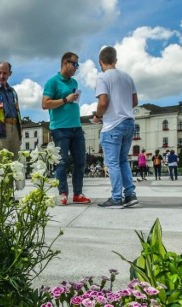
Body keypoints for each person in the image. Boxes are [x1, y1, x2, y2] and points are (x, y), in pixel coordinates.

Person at [90, 46, 138, 208]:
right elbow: (135, 102)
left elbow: (103, 102)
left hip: (112, 125)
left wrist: (98, 116)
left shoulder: (102, 78)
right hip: (129, 122)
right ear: (115, 60)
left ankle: (116, 197)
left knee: (112, 163)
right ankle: (130, 194)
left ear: (100, 62)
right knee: (123, 160)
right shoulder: (127, 77)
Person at [42, 52, 91, 206]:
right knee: (62, 162)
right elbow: (45, 104)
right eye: (75, 64)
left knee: (80, 162)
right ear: (65, 63)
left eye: (78, 64)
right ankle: (63, 193)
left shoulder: (74, 83)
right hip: (60, 128)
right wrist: (65, 99)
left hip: (76, 127)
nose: (77, 67)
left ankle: (78, 193)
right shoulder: (52, 82)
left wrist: (72, 99)